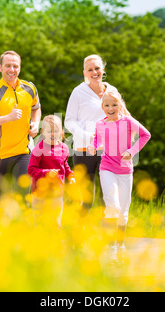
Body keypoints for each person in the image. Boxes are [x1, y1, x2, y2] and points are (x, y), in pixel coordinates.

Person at [87, 89, 151, 260]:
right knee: (112, 206)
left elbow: (146, 135)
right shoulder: (100, 123)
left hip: (125, 171)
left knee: (123, 211)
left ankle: (120, 243)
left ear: (120, 105)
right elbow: (97, 140)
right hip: (107, 168)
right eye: (107, 105)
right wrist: (93, 146)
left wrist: (132, 151)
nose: (110, 108)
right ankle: (111, 246)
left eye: (114, 105)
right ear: (103, 107)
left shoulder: (128, 122)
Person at [0, 50, 41, 201]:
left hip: (24, 151)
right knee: (2, 201)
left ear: (19, 68)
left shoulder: (29, 88)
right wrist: (8, 118)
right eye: (8, 66)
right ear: (0, 68)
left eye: (15, 66)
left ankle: (25, 224)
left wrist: (36, 123)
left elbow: (36, 107)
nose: (12, 70)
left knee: (25, 196)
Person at [64, 54, 118, 213]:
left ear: (103, 69)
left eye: (97, 68)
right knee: (85, 199)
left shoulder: (113, 90)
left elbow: (122, 116)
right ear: (84, 72)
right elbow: (69, 120)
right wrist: (87, 136)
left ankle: (106, 235)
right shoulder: (78, 92)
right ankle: (80, 234)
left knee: (107, 197)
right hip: (83, 150)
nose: (94, 72)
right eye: (90, 70)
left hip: (109, 150)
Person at [28, 115, 75, 228]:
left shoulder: (64, 148)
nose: (53, 134)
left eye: (56, 131)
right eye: (49, 131)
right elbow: (31, 170)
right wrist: (46, 173)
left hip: (57, 193)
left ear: (61, 132)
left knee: (55, 223)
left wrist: (71, 176)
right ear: (43, 132)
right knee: (40, 223)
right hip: (40, 193)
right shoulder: (38, 149)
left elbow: (64, 165)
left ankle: (57, 245)